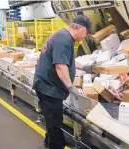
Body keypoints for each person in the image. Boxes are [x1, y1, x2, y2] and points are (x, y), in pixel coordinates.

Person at [32, 15, 93, 149]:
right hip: (49, 87)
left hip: (46, 85)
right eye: (87, 31)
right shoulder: (63, 39)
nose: (86, 35)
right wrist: (70, 87)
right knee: (54, 122)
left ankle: (48, 143)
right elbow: (60, 66)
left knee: (51, 119)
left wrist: (84, 67)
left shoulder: (63, 36)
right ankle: (55, 145)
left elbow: (66, 60)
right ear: (79, 27)